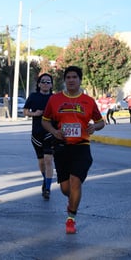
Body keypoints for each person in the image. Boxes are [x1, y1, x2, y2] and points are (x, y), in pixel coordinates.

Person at [42, 66, 105, 234]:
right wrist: (54, 131)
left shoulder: (88, 101)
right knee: (65, 188)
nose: (71, 80)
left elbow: (100, 122)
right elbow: (45, 121)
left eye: (74, 77)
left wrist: (94, 127)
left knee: (75, 182)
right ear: (64, 80)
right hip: (62, 147)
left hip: (81, 147)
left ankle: (71, 218)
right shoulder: (55, 100)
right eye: (68, 77)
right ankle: (72, 202)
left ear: (80, 79)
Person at [23, 73, 54, 200]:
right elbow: (25, 111)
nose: (45, 84)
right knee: (41, 162)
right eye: (43, 81)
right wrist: (34, 113)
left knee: (48, 160)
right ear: (39, 84)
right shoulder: (33, 96)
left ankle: (47, 188)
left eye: (48, 82)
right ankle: (45, 179)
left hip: (50, 133)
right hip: (36, 134)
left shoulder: (55, 98)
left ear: (51, 85)